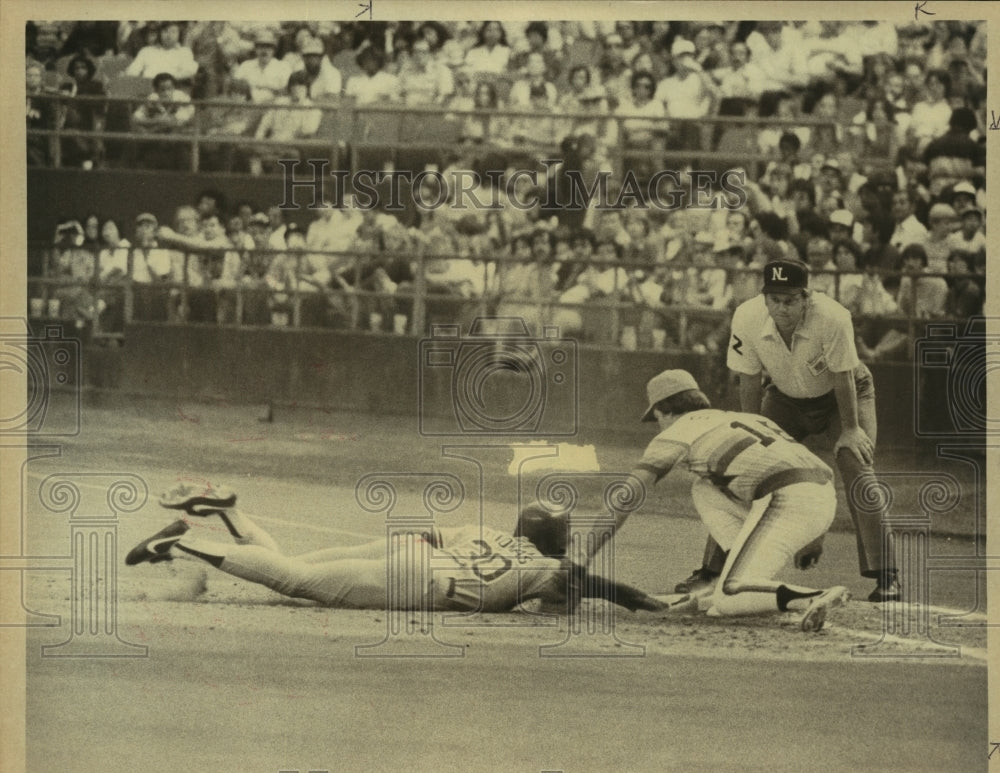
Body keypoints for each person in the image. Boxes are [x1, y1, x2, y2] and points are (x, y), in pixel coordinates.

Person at [572, 370, 850, 632]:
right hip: (821, 496)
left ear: (662, 410)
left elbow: (626, 498)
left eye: (656, 417)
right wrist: (816, 536)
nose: (658, 425)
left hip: (786, 501)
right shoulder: (742, 418)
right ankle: (735, 575)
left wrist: (582, 555)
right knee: (704, 488)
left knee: (729, 597)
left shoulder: (676, 432)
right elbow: (819, 470)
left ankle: (814, 596)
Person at [125, 482, 666, 615]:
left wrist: (373, 548)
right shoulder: (548, 568)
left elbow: (420, 535)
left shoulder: (484, 530)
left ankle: (231, 514)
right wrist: (642, 600)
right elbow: (591, 584)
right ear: (558, 541)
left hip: (415, 556)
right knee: (294, 581)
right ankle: (184, 541)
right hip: (427, 582)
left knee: (290, 568)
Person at [706, 258, 899, 602]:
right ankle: (711, 570)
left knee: (855, 462)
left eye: (791, 300)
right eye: (775, 299)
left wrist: (851, 429)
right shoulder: (747, 316)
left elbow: (843, 376)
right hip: (784, 398)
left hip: (844, 396)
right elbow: (749, 379)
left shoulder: (833, 316)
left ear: (807, 297)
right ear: (764, 297)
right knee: (744, 467)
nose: (782, 308)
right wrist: (752, 433)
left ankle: (887, 575)